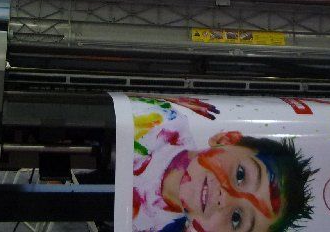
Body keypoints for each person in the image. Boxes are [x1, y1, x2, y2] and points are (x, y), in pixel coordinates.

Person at [131, 97, 314, 232]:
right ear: (226, 139)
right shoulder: (159, 123)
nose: (225, 197)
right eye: (240, 175)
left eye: (236, 218)